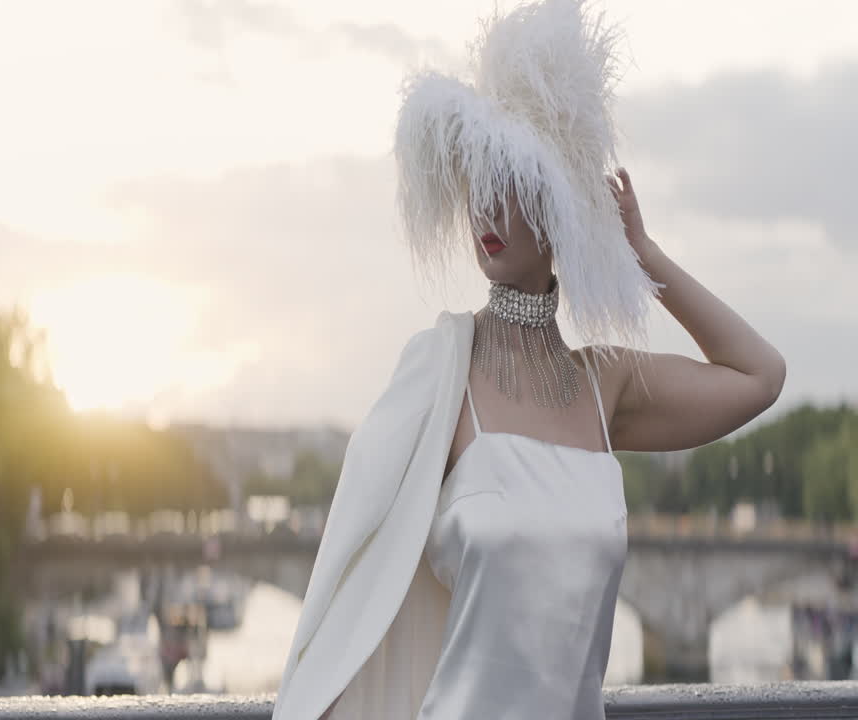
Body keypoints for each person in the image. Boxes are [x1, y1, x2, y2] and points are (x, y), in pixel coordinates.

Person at [270, 1, 785, 718]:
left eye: (509, 175)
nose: (484, 202)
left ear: (560, 203)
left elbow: (760, 376)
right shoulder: (440, 371)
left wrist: (643, 255)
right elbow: (348, 581)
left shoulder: (607, 381)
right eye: (475, 175)